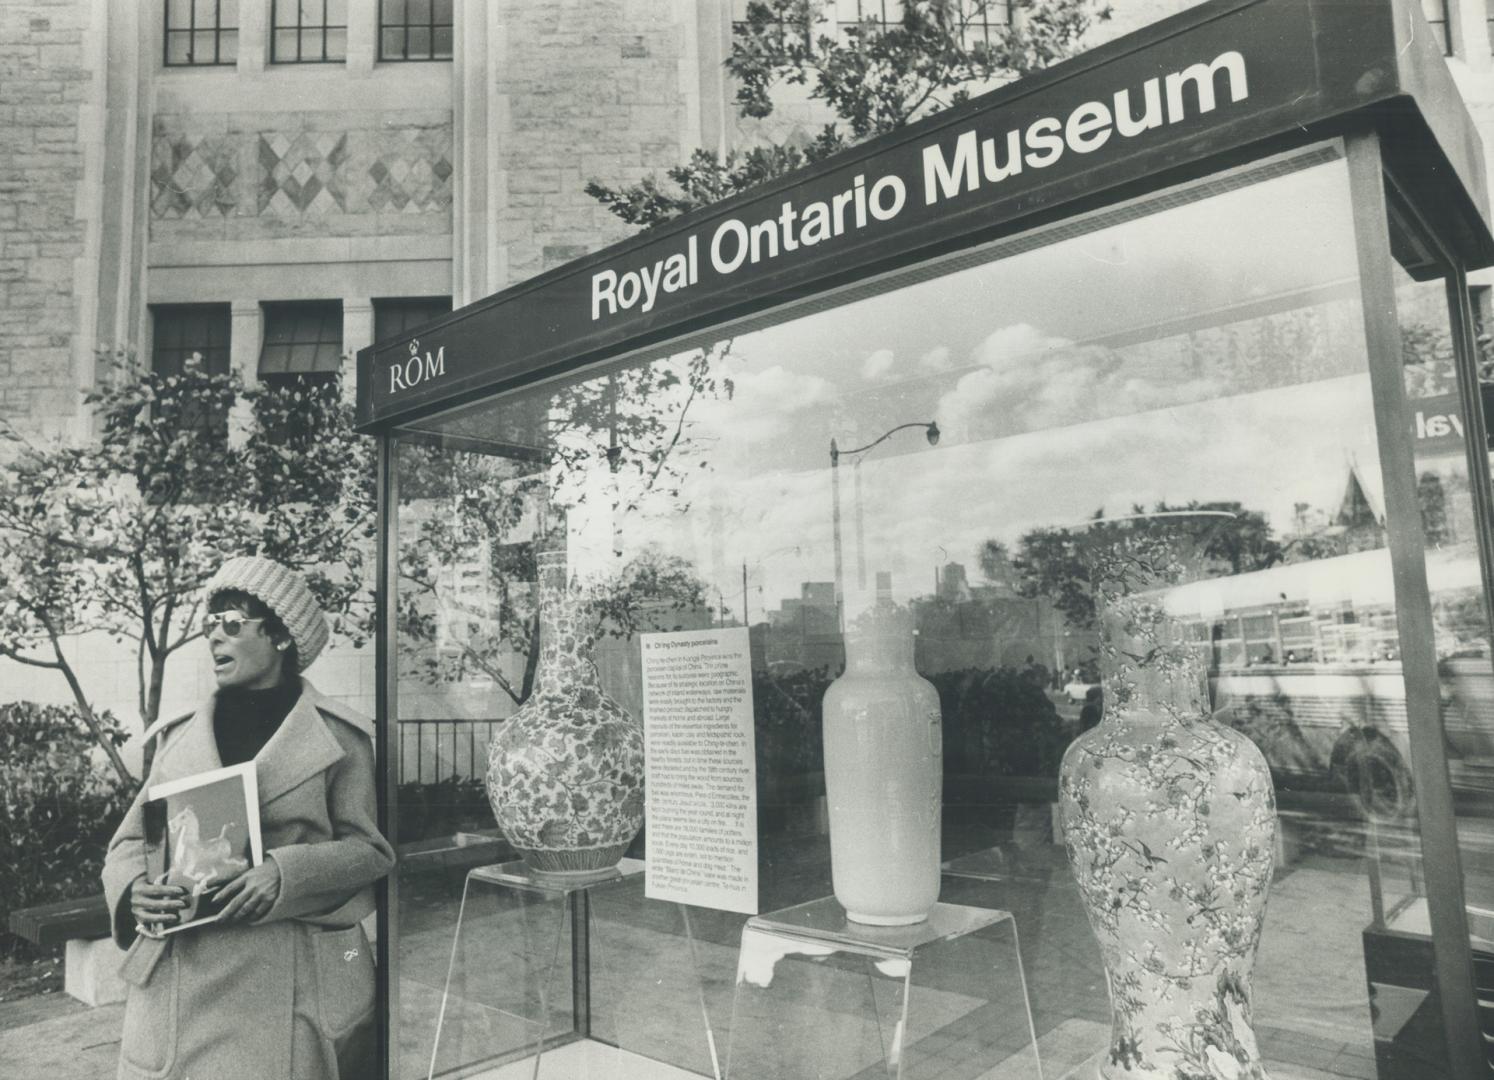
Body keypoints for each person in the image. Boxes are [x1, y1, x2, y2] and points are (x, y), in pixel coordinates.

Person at [102, 556, 394, 1080]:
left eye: (233, 624)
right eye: (209, 626)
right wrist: (132, 892)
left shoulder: (340, 737)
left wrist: (285, 872)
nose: (215, 639)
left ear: (281, 637)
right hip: (183, 981)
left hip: (294, 978)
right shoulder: (181, 735)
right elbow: (128, 841)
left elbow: (369, 850)